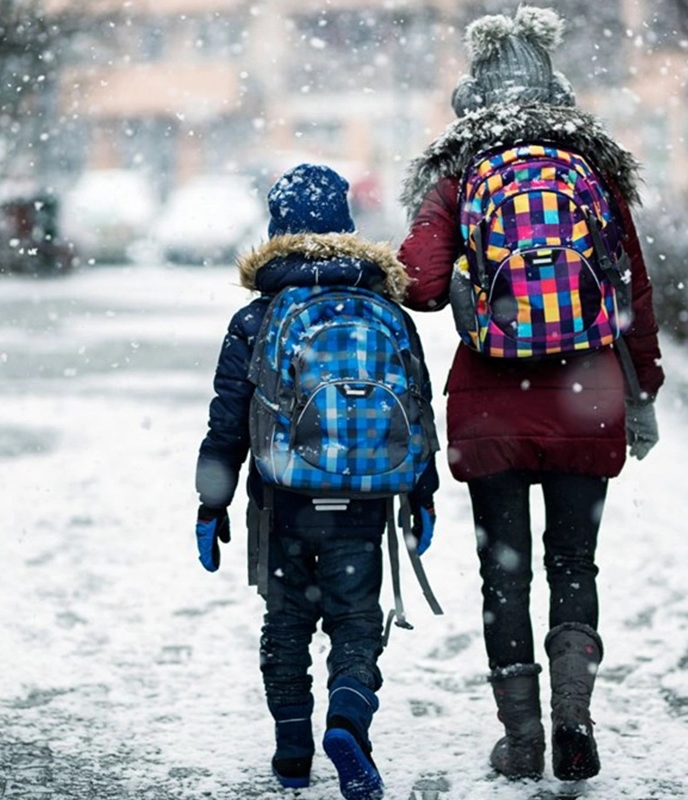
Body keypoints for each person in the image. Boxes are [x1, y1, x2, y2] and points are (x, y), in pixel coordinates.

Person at [395, 5, 665, 784]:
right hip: (588, 396)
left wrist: (461, 273)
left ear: (473, 97)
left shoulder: (460, 174)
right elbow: (634, 296)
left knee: (504, 574)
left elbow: (416, 282)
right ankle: (575, 716)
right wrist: (640, 387)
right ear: (556, 90)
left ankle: (521, 739)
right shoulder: (593, 173)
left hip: (492, 405)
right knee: (574, 564)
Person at [194, 164, 439, 800]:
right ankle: (349, 720)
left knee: (287, 625)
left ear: (277, 228)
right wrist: (422, 492)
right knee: (356, 622)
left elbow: (228, 424)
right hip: (363, 501)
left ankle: (293, 751)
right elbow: (417, 408)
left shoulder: (258, 317)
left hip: (283, 502)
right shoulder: (384, 308)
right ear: (346, 227)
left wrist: (210, 505)